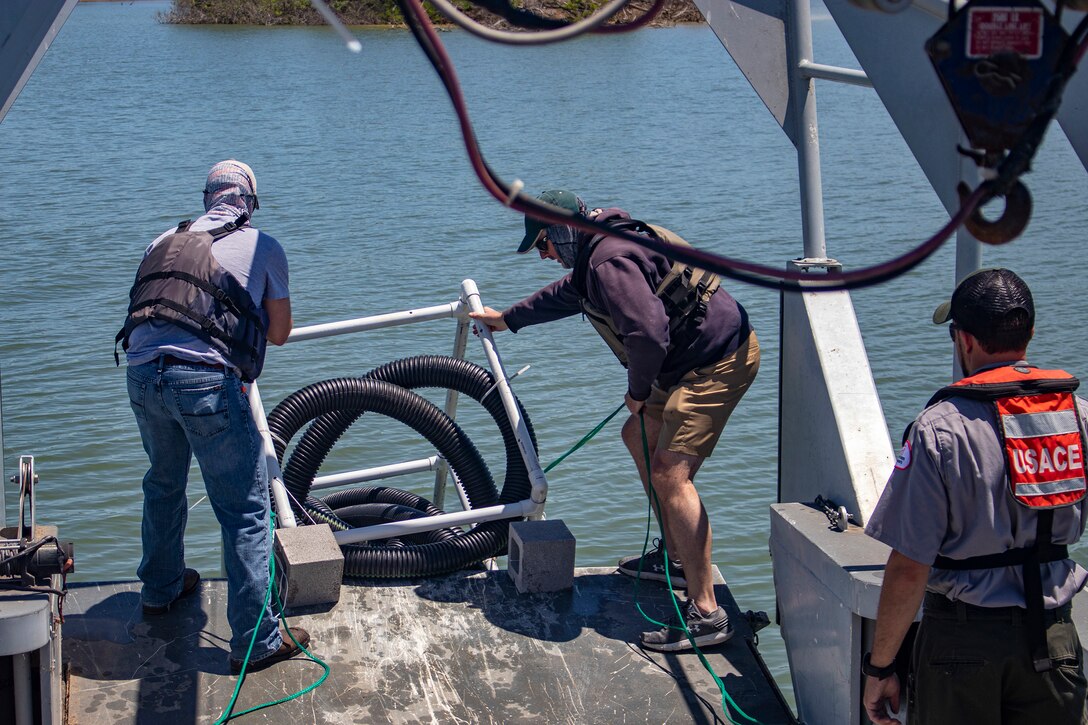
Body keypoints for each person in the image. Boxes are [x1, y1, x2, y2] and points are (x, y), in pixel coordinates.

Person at [470, 189, 760, 651]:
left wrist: (638, 392)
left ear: (563, 232)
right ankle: (678, 557)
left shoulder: (608, 261)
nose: (544, 256)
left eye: (543, 244)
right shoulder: (598, 251)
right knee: (637, 436)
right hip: (685, 362)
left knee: (671, 473)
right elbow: (570, 294)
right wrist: (508, 318)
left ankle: (708, 614)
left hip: (715, 362)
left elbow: (647, 335)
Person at [862, 268, 1088, 725]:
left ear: (964, 340)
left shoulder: (940, 429)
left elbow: (908, 568)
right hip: (1054, 638)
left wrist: (881, 667)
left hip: (960, 646)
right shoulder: (1078, 417)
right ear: (1030, 333)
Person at [119, 160, 310, 674]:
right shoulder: (263, 245)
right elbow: (279, 333)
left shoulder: (162, 239)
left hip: (141, 374)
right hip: (204, 383)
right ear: (251, 202)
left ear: (207, 198)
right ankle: (257, 641)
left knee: (162, 483)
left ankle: (159, 590)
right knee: (245, 510)